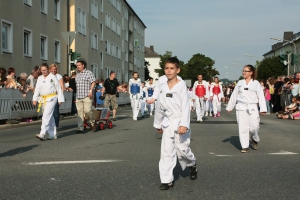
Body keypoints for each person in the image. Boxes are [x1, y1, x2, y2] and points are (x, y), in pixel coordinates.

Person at [153, 57, 197, 190]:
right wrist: (158, 123)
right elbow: (159, 106)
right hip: (167, 122)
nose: (168, 71)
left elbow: (185, 106)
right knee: (166, 152)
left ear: (178, 70)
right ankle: (166, 180)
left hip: (180, 121)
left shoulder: (181, 85)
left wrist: (184, 124)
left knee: (183, 151)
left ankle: (192, 164)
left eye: (172, 68)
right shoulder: (162, 86)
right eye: (166, 68)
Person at [226, 65, 267, 153]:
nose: (243, 72)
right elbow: (234, 95)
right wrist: (230, 107)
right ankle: (245, 146)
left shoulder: (256, 83)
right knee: (243, 127)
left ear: (251, 73)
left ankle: (254, 138)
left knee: (254, 127)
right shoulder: (240, 83)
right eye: (243, 71)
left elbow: (261, 96)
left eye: (246, 71)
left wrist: (263, 108)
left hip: (252, 107)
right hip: (241, 107)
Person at [32, 63, 64, 140]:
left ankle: (42, 133)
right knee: (51, 117)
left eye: (45, 70)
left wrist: (60, 99)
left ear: (48, 70)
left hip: (52, 98)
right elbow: (37, 89)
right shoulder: (40, 78)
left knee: (46, 115)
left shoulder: (52, 77)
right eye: (42, 70)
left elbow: (58, 88)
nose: (43, 72)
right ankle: (52, 134)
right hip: (43, 98)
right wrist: (35, 99)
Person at [75, 58, 96, 133]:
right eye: (77, 65)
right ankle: (80, 128)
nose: (78, 67)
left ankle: (93, 123)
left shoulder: (88, 73)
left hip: (87, 95)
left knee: (88, 110)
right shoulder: (77, 75)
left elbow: (93, 82)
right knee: (79, 112)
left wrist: (90, 90)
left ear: (83, 65)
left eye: (79, 65)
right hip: (79, 96)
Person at [49, 64, 65, 130]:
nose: (53, 70)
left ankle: (55, 125)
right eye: (52, 69)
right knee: (48, 112)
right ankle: (49, 126)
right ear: (49, 69)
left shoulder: (58, 76)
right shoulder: (47, 76)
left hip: (56, 96)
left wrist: (60, 98)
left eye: (54, 69)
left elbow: (62, 87)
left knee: (55, 112)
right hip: (48, 97)